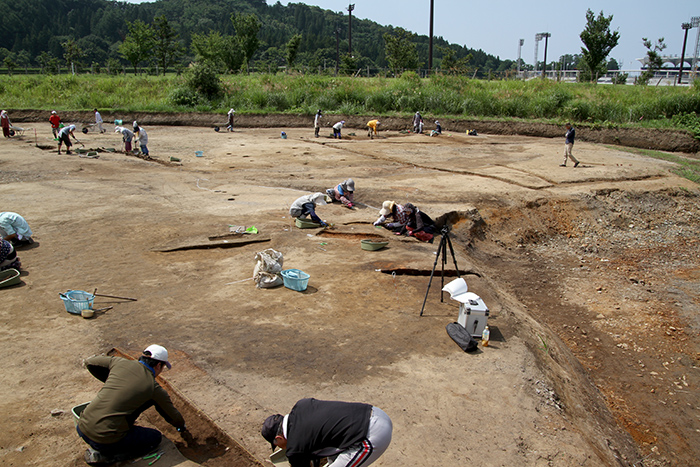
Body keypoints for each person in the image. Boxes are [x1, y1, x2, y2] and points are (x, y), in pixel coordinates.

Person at [77, 345, 187, 465]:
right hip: (104, 439)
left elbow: (90, 362)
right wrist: (181, 427)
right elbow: (172, 415)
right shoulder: (153, 388)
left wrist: (109, 379)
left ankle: (104, 447)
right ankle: (107, 456)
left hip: (82, 427)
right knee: (155, 438)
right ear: (158, 365)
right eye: (163, 367)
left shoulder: (119, 362)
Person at [261, 398, 392, 467]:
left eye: (278, 445)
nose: (282, 448)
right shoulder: (302, 405)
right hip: (374, 412)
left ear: (278, 438)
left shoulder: (295, 449)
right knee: (333, 457)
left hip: (371, 436)